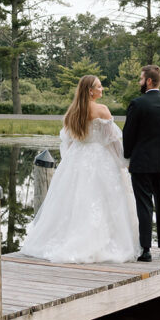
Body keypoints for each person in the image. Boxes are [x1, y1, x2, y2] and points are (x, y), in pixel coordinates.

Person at [20, 74, 139, 263]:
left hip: (77, 157)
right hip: (100, 158)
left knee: (73, 201)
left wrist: (70, 163)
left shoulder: (72, 112)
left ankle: (65, 238)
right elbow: (113, 142)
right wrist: (125, 162)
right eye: (99, 86)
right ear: (90, 91)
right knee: (102, 199)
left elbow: (67, 142)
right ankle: (100, 242)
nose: (102, 89)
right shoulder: (102, 110)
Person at [122, 64, 160, 262]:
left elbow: (128, 134)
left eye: (141, 79)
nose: (139, 82)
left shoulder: (137, 104)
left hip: (141, 163)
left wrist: (128, 157)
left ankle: (146, 250)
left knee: (144, 206)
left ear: (148, 81)